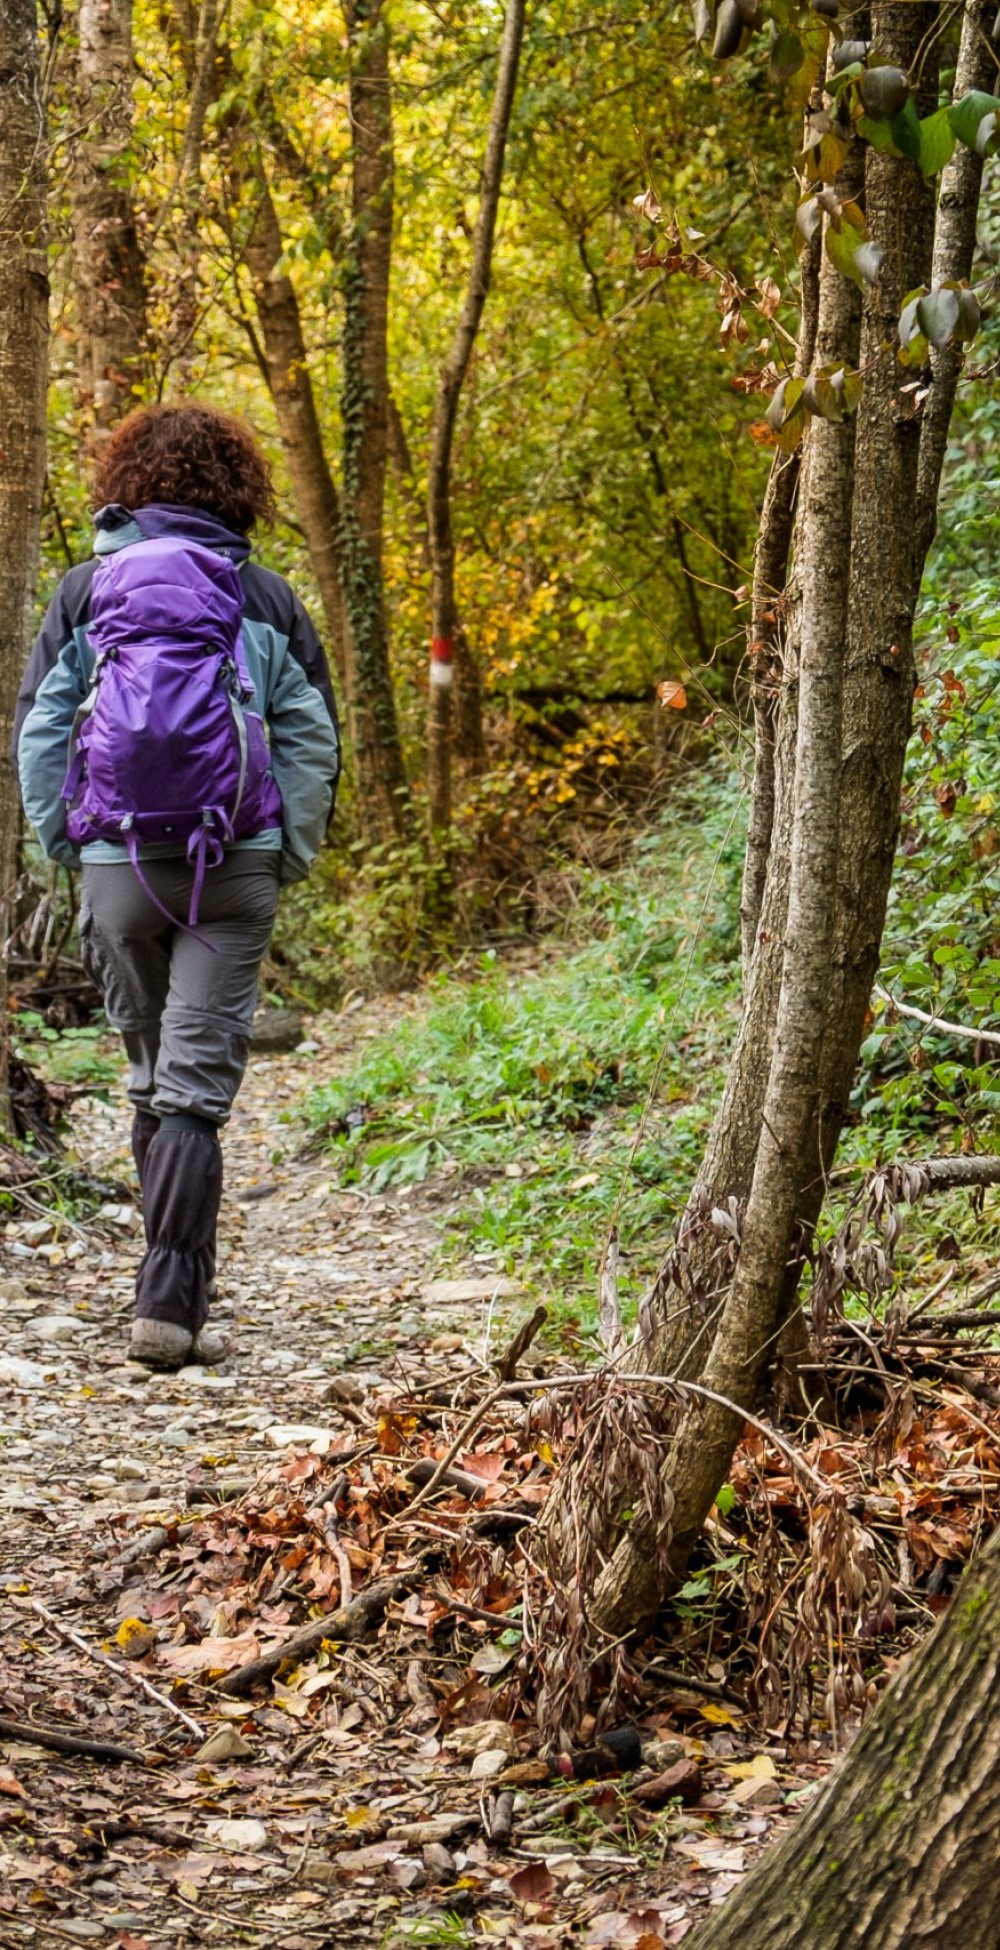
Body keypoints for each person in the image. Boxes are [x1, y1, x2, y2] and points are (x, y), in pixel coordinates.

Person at [15, 402, 340, 1371]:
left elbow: (41, 728)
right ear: (237, 490)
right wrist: (288, 850)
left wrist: (67, 846)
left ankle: (168, 1287)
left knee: (152, 1076)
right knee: (196, 1090)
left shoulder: (85, 592)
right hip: (233, 861)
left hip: (115, 867)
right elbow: (309, 735)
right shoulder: (267, 597)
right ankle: (169, 1307)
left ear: (124, 484)